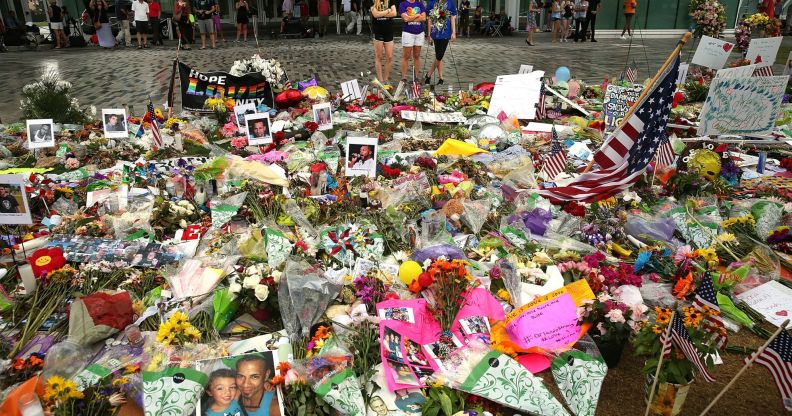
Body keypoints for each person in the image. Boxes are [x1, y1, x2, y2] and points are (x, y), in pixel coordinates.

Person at [425, 0, 456, 85]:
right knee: (439, 56)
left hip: (446, 33)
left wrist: (454, 32)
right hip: (435, 33)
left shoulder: (450, 3)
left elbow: (453, 17)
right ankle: (441, 78)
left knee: (439, 55)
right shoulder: (432, 3)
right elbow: (430, 20)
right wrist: (429, 34)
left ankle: (429, 74)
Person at [371, 0, 396, 84]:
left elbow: (394, 13)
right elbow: (375, 14)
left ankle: (385, 79)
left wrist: (381, 13)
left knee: (389, 57)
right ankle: (380, 80)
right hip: (378, 32)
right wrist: (388, 11)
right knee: (379, 57)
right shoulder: (373, 2)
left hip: (389, 32)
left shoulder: (390, 1)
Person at [399, 0, 425, 82]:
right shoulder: (403, 4)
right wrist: (417, 16)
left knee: (417, 55)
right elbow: (405, 19)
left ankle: (416, 77)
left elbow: (423, 18)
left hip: (419, 33)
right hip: (408, 33)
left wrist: (410, 18)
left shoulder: (420, 4)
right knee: (406, 56)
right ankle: (404, 77)